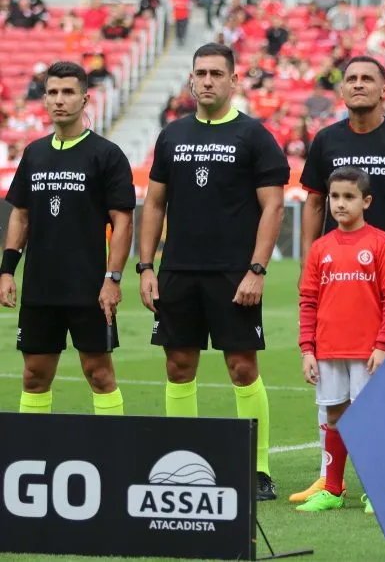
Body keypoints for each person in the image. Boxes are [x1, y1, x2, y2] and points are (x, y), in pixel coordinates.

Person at [138, 43, 290, 501]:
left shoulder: (254, 135)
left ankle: (258, 468)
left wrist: (257, 269)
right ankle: (180, 461)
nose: (206, 81)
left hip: (233, 274)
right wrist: (146, 267)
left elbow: (273, 207)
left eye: (216, 74)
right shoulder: (172, 135)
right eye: (200, 73)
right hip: (178, 271)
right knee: (178, 366)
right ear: (190, 79)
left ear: (233, 80)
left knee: (242, 367)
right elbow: (155, 203)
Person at [292, 54, 385, 502]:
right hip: (339, 279)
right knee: (333, 385)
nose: (358, 84)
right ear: (341, 91)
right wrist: (308, 260)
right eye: (351, 79)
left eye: (367, 79)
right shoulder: (326, 140)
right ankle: (330, 479)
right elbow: (315, 202)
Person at [0, 61, 135, 415]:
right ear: (44, 99)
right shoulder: (34, 153)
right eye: (53, 92)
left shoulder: (106, 154)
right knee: (33, 376)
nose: (60, 100)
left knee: (100, 374)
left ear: (85, 99)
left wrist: (113, 278)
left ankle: (111, 455)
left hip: (90, 287)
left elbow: (123, 222)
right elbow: (21, 214)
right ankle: (32, 458)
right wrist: (6, 270)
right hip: (41, 287)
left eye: (68, 92)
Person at [296, 166, 385, 514]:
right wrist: (307, 349)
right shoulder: (320, 248)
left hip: (367, 351)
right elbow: (308, 300)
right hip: (328, 350)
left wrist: (384, 345)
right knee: (334, 415)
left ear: (366, 201)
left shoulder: (381, 243)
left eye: (349, 197)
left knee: (370, 417)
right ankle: (332, 489)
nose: (340, 204)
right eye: (335, 197)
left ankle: (376, 490)